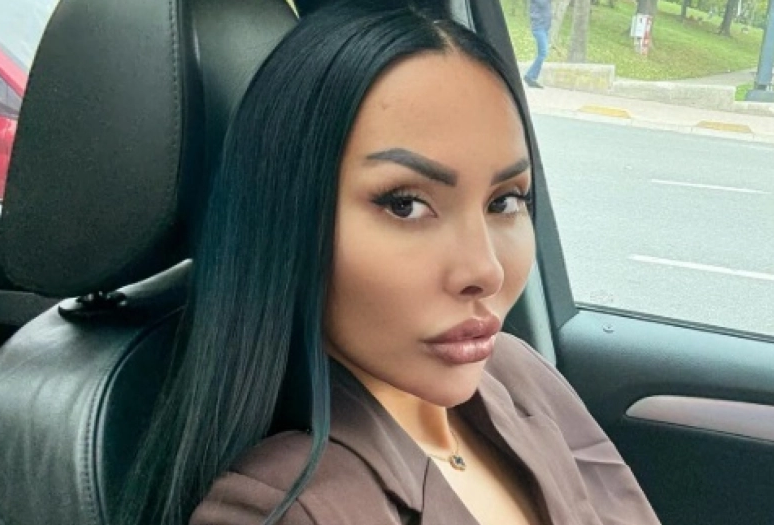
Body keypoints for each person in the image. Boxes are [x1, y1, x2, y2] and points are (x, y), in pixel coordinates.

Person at [119, 2, 661, 524]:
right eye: (405, 205)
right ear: (286, 221)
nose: (487, 271)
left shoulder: (518, 373)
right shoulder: (284, 510)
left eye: (505, 201)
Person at [524, 0, 552, 88]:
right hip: (539, 27)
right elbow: (542, 3)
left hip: (544, 28)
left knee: (542, 53)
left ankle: (531, 77)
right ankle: (530, 76)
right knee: (543, 53)